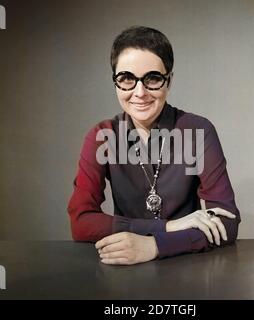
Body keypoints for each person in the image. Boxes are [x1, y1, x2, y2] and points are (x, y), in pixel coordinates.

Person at [67, 26, 241, 265]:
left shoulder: (198, 131)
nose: (140, 92)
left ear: (169, 80)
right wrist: (168, 227)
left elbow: (227, 223)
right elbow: (81, 222)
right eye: (127, 79)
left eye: (153, 79)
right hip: (124, 265)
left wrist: (155, 245)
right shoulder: (102, 136)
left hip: (189, 263)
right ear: (115, 82)